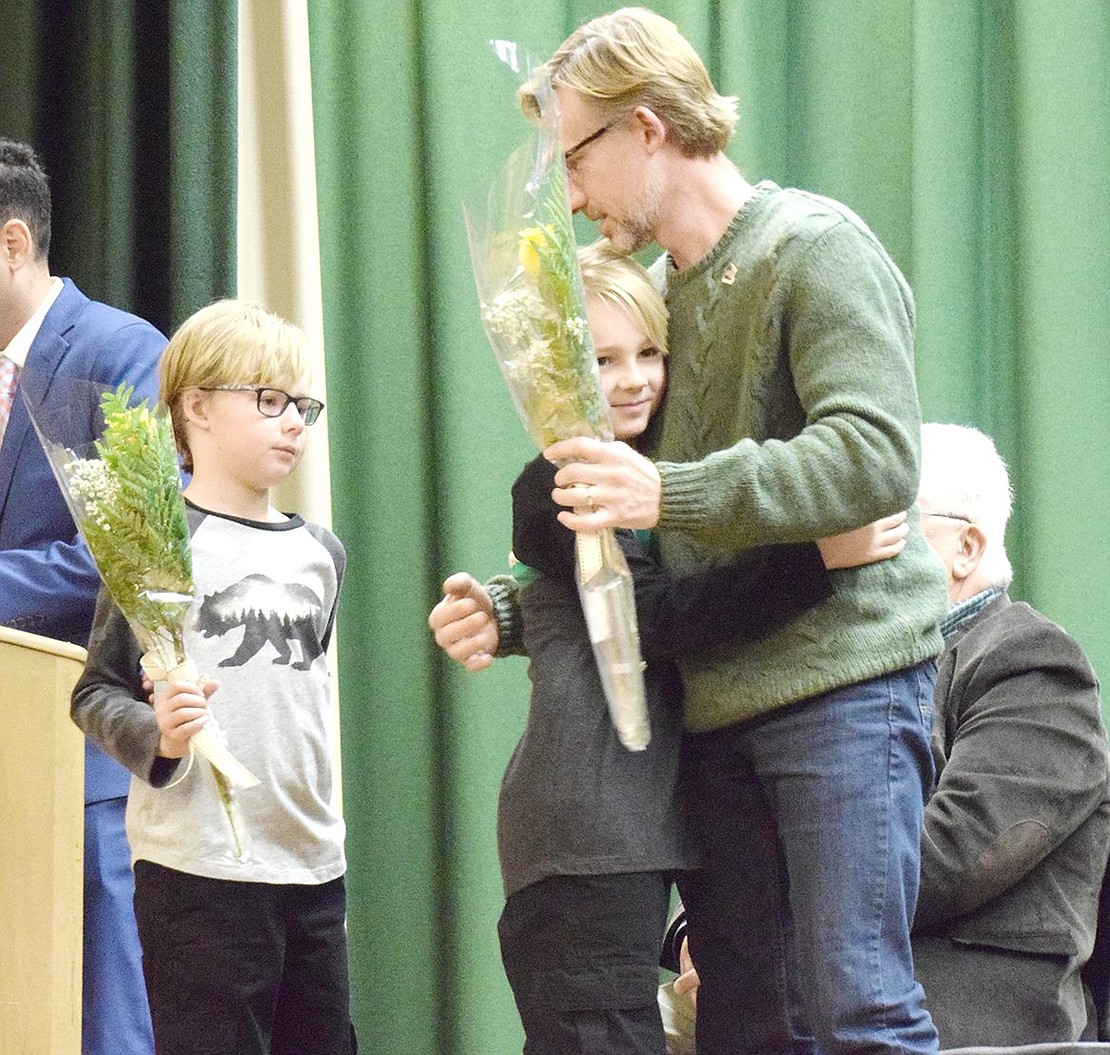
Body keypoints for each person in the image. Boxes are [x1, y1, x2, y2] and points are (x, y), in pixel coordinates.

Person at [515, 9, 950, 1054]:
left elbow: (875, 457)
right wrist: (507, 601)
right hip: (715, 708)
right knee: (746, 1022)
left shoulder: (815, 249)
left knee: (862, 1008)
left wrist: (673, 495)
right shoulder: (656, 301)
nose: (569, 194)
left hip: (843, 685)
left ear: (650, 128)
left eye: (575, 156)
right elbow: (632, 529)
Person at [433, 241, 907, 1054]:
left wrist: (512, 611)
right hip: (586, 834)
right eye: (602, 357)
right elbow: (652, 616)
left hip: (653, 821)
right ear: (553, 369)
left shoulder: (664, 472)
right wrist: (818, 558)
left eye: (650, 352)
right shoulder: (552, 485)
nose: (633, 378)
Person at [71, 299, 355, 1055]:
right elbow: (94, 691)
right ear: (195, 406)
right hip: (198, 872)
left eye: (302, 404)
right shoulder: (157, 544)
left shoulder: (322, 552)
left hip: (313, 865)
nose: (293, 420)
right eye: (269, 400)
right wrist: (158, 735)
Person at [0, 136, 162, 1055]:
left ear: (14, 244)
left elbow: (127, 555)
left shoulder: (121, 352)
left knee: (105, 1027)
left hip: (84, 769)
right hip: (5, 768)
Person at [911, 422, 1110, 1047]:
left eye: (890, 525)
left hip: (979, 1029)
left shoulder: (1029, 661)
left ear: (966, 547)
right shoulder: (875, 673)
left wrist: (770, 915)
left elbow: (954, 855)